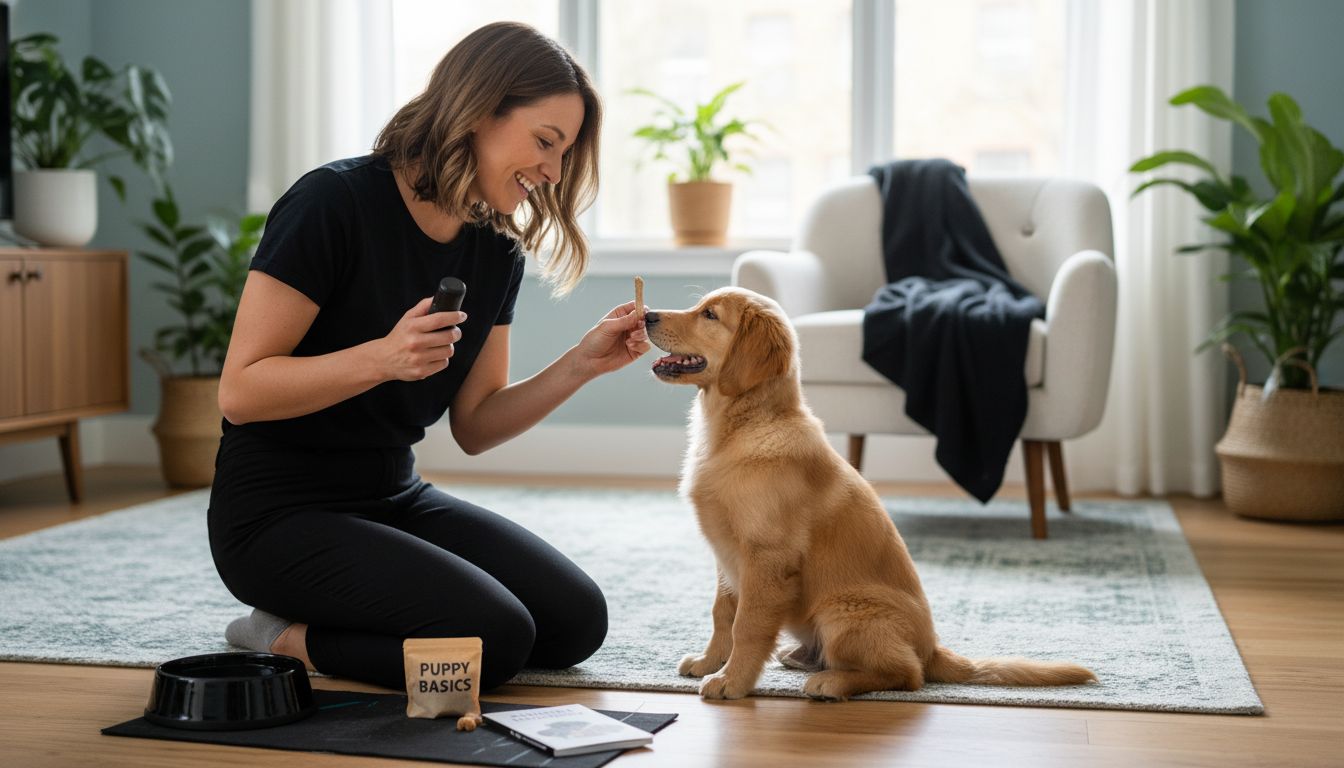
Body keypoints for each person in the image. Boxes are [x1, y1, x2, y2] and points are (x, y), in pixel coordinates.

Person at [209, 21, 648, 692]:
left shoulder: (494, 248)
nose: (554, 173)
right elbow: (240, 391)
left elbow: (475, 425)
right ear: (476, 113)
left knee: (574, 624)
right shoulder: (332, 203)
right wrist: (381, 359)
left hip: (393, 495)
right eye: (545, 143)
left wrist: (580, 365)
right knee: (495, 644)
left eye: (565, 154)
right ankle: (284, 636)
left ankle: (340, 610)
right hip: (276, 515)